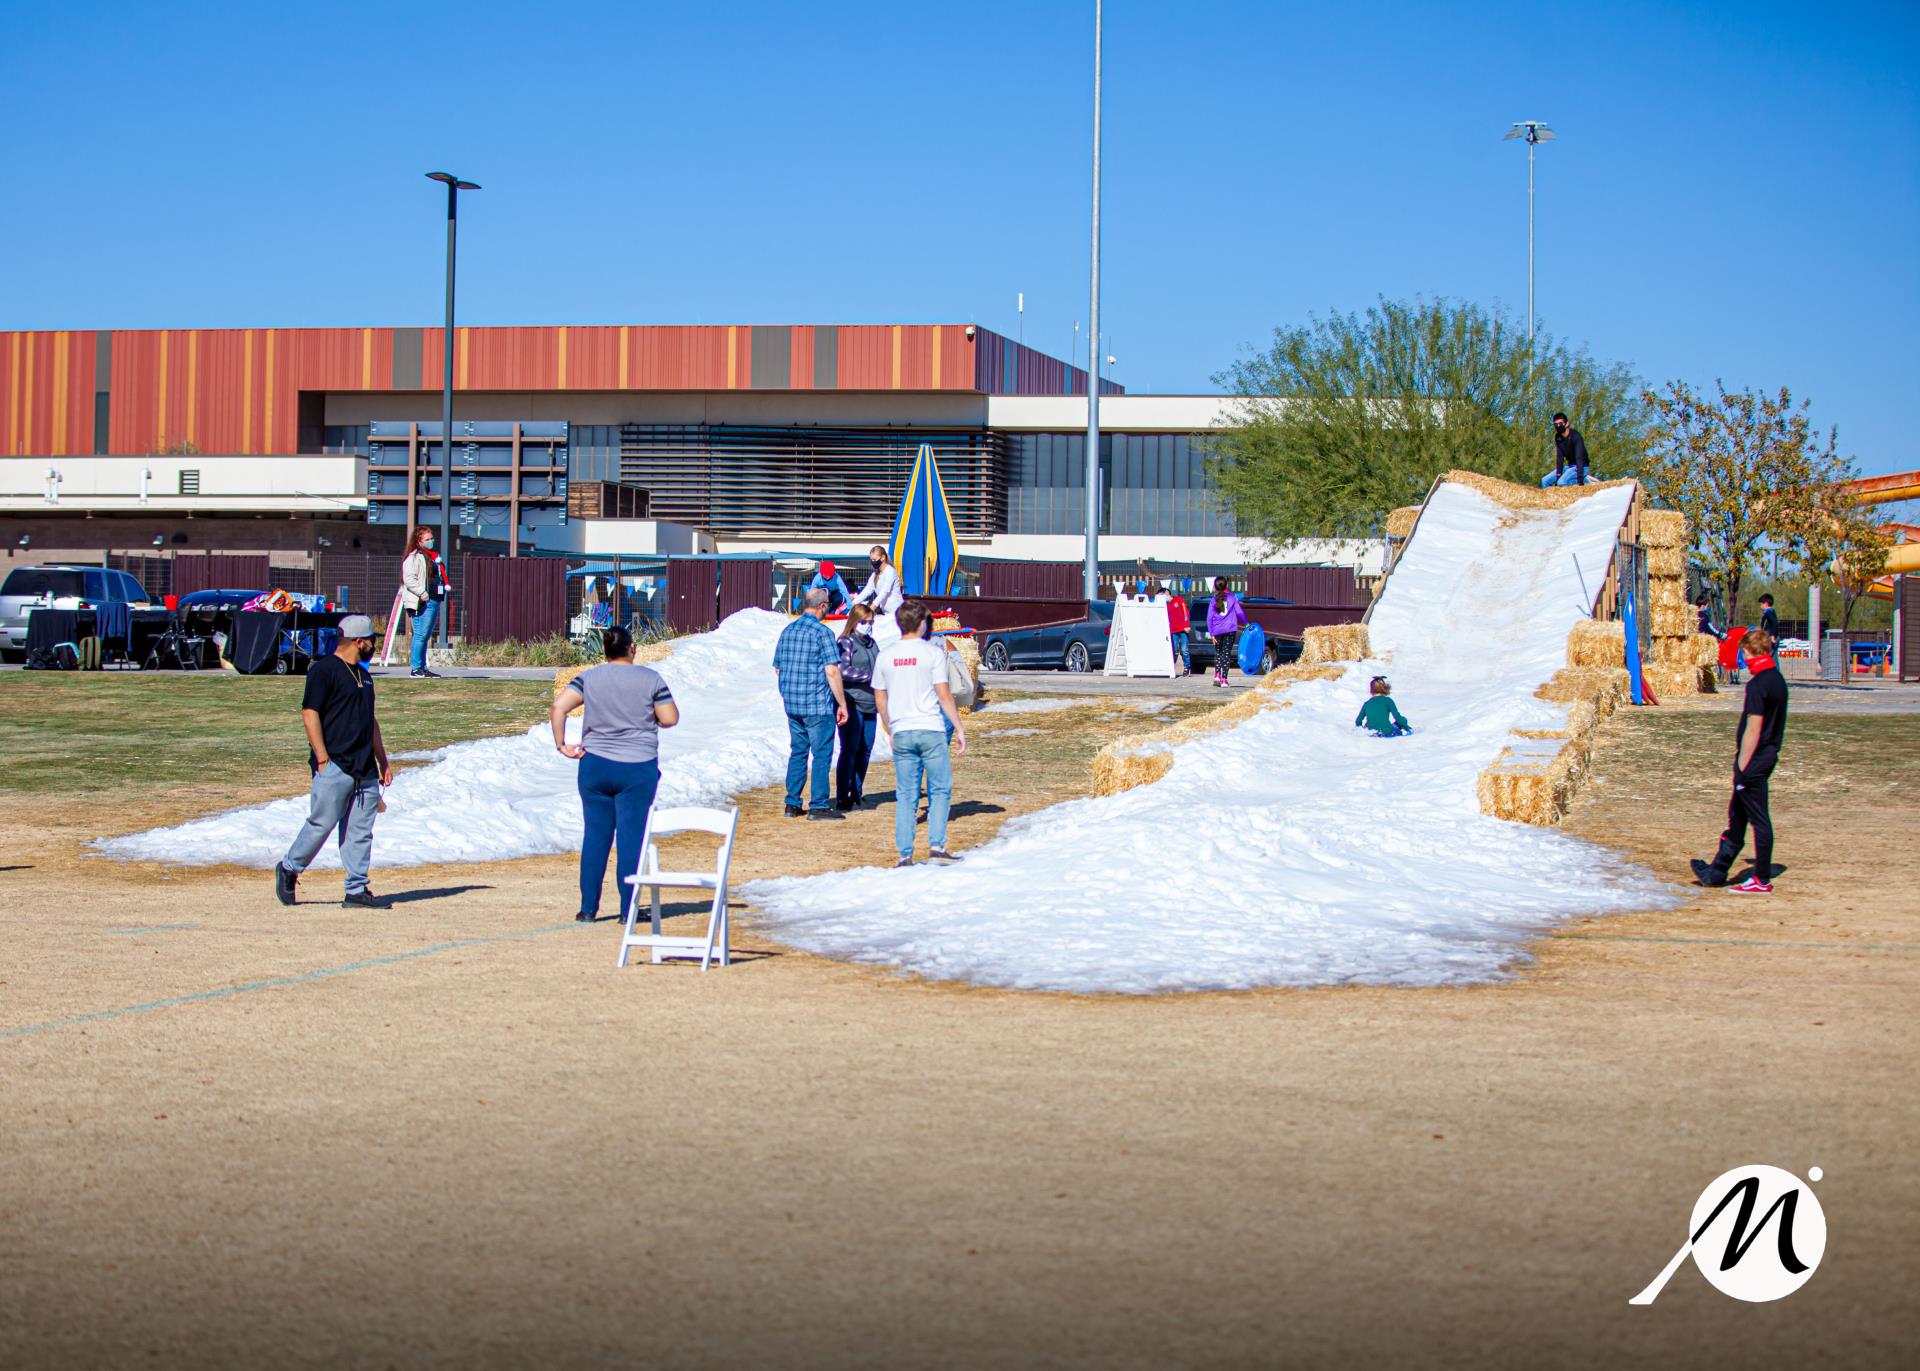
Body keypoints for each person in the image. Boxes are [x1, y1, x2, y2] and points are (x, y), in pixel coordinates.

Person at [549, 627, 680, 923]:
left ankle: (587, 908)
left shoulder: (590, 677)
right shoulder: (650, 679)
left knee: (596, 837)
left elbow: (559, 707)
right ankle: (628, 909)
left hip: (595, 764)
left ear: (605, 650)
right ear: (632, 648)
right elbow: (670, 718)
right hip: (637, 766)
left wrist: (562, 745)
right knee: (631, 838)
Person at [274, 614, 394, 909]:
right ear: (358, 642)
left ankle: (356, 889)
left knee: (359, 831)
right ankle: (290, 867)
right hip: (335, 764)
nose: (374, 646)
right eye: (372, 641)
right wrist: (322, 758)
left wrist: (383, 760)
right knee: (321, 824)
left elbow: (371, 721)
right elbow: (310, 712)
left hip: (364, 767)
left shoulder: (364, 675)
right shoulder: (324, 671)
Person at [1692, 627, 1788, 894]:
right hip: (1767, 755)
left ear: (1749, 651)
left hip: (1754, 761)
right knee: (1738, 816)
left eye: (1743, 652)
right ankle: (1716, 871)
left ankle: (1761, 879)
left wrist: (1742, 767)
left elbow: (1753, 728)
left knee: (1758, 819)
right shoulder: (1777, 680)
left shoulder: (1759, 685)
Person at [875, 600, 966, 866]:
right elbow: (944, 694)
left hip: (902, 729)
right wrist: (959, 727)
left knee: (906, 794)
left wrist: (889, 727)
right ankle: (936, 846)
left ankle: (905, 854)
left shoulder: (885, 655)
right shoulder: (932, 653)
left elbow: (880, 699)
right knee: (939, 789)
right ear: (921, 623)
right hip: (930, 728)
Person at [773, 588, 849, 820]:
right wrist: (842, 703)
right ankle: (818, 805)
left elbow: (778, 668)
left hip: (793, 704)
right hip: (817, 705)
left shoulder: (787, 631)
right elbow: (832, 670)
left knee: (798, 752)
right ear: (822, 606)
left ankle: (792, 802)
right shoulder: (823, 633)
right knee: (821, 754)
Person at [835, 604, 880, 810]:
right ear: (854, 622)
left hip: (871, 704)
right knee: (850, 748)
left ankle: (857, 789)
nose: (867, 626)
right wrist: (870, 677)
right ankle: (843, 794)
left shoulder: (873, 644)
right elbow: (843, 670)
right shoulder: (845, 641)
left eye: (870, 622)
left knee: (866, 748)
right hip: (852, 702)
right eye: (863, 622)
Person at [400, 525, 452, 678]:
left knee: (425, 635)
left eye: (432, 538)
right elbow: (409, 579)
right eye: (427, 539)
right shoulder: (414, 557)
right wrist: (423, 594)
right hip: (422, 601)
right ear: (419, 541)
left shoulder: (434, 557)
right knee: (420, 634)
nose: (431, 541)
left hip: (434, 599)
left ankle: (423, 667)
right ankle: (416, 668)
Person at [1206, 577, 1249, 688]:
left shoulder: (1213, 599)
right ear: (1226, 586)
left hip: (1217, 630)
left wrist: (1211, 633)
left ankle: (1217, 675)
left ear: (1215, 587)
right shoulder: (1232, 597)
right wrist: (1246, 623)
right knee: (1226, 654)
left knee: (1219, 653)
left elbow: (1209, 618)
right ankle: (1224, 680)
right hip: (1230, 629)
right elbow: (1239, 612)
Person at [850, 544, 903, 617]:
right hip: (886, 613)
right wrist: (853, 604)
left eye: (874, 559)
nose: (872, 562)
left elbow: (884, 592)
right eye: (871, 560)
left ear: (883, 557)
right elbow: (867, 591)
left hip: (897, 612)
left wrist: (872, 607)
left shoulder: (890, 572)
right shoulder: (874, 575)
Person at [1541, 412, 1590, 488]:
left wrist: (1580, 480)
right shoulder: (1558, 437)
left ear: (1566, 424)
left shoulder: (1575, 436)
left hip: (1582, 466)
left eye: (1560, 423)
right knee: (1544, 481)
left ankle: (1585, 481)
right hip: (1569, 466)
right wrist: (1558, 475)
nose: (1558, 426)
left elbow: (1579, 458)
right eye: (1555, 424)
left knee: (1562, 482)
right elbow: (1560, 458)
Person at [1166, 586, 1192, 676]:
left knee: (1184, 649)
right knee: (1172, 649)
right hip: (1173, 630)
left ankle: (1187, 667)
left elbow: (1186, 613)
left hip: (1183, 629)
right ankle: (1171, 666)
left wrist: (1186, 625)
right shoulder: (1165, 605)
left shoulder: (1179, 600)